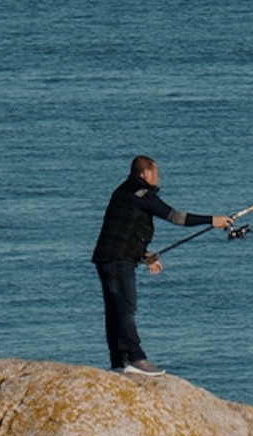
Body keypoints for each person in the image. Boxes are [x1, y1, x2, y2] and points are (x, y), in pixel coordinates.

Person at [90, 155, 236, 376]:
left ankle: (118, 360)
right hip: (118, 260)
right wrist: (211, 220)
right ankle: (136, 358)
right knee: (125, 307)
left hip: (106, 257)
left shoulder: (121, 192)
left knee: (114, 309)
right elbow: (175, 217)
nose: (158, 177)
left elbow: (123, 231)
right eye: (156, 173)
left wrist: (145, 255)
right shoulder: (143, 195)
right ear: (146, 173)